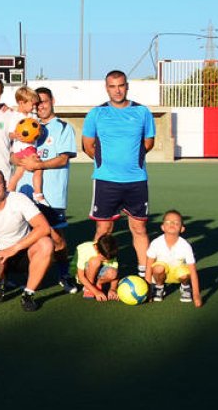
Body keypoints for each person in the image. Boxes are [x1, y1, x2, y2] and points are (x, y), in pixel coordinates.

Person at [83, 70, 156, 278]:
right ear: (106, 88)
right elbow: (88, 146)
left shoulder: (142, 112)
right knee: (103, 230)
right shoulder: (96, 113)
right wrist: (108, 164)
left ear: (127, 86)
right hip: (106, 181)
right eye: (112, 86)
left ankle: (145, 275)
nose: (117, 90)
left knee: (139, 228)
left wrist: (129, 161)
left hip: (136, 180)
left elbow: (148, 143)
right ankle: (98, 273)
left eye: (121, 85)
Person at [12, 87, 80, 293]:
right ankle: (26, 276)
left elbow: (63, 158)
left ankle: (63, 273)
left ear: (52, 101)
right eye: (36, 102)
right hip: (25, 193)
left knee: (56, 237)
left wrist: (38, 166)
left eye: (44, 101)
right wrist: (21, 161)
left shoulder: (62, 127)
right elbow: (12, 155)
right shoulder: (24, 125)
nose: (40, 106)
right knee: (24, 236)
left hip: (51, 194)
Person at [0, 168, 54, 312]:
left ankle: (28, 294)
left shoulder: (18, 199)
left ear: (5, 183)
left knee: (46, 244)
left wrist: (14, 248)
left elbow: (44, 227)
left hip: (23, 250)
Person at [146, 210, 202, 306]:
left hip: (178, 274)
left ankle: (185, 287)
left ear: (182, 229)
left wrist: (196, 295)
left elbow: (193, 271)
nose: (172, 224)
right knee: (158, 268)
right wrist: (148, 292)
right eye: (168, 222)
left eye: (176, 223)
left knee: (185, 273)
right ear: (162, 227)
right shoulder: (156, 243)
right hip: (161, 274)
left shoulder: (185, 245)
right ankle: (159, 287)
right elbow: (148, 267)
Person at [6, 86, 44, 198]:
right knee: (38, 168)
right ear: (21, 103)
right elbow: (9, 133)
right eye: (32, 104)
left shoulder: (33, 117)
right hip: (24, 149)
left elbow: (38, 131)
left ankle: (9, 194)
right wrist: (15, 135)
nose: (34, 107)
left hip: (26, 149)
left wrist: (38, 133)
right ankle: (38, 194)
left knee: (18, 174)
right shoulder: (15, 117)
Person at [75, 234, 120, 301]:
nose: (107, 261)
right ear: (96, 248)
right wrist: (96, 292)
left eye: (108, 259)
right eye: (104, 258)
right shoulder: (84, 249)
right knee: (95, 261)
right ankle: (89, 288)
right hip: (81, 273)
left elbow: (116, 275)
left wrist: (112, 289)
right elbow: (81, 276)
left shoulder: (109, 252)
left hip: (97, 271)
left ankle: (98, 283)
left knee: (113, 273)